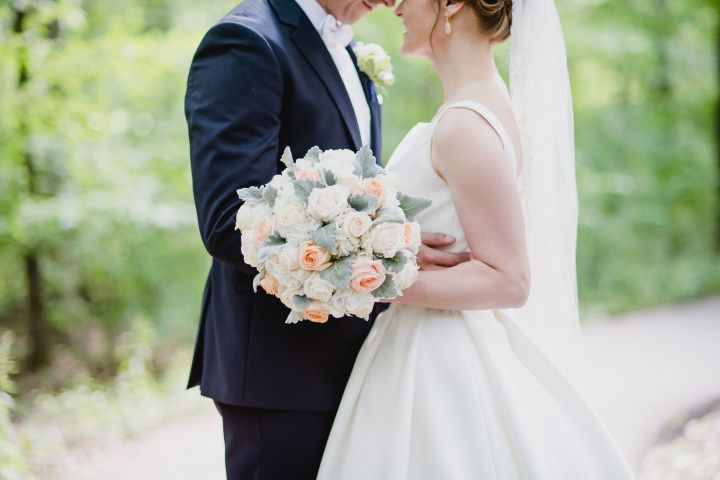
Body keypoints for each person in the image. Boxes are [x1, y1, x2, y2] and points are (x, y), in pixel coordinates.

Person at [316, 0, 638, 478]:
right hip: (420, 342)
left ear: (452, 4)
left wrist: (370, 276)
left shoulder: (465, 124)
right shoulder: (478, 105)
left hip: (439, 362)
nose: (396, 4)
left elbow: (509, 279)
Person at [183, 0, 471, 478]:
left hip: (359, 360)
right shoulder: (245, 42)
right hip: (279, 374)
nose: (387, 0)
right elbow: (228, 219)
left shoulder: (349, 47)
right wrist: (386, 247)